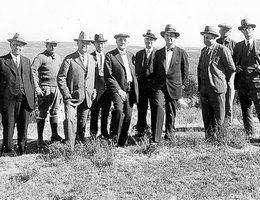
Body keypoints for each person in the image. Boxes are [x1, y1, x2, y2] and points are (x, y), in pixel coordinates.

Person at [57, 31, 96, 150]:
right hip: (72, 98)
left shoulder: (92, 59)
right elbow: (61, 77)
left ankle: (79, 145)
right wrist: (66, 94)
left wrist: (94, 90)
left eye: (87, 43)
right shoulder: (69, 58)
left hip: (87, 97)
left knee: (82, 123)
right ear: (77, 43)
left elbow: (95, 77)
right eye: (82, 42)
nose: (85, 45)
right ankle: (70, 148)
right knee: (69, 120)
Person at [198, 26, 236, 142]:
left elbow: (231, 69)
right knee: (206, 115)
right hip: (204, 88)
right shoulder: (204, 50)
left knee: (219, 116)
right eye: (204, 37)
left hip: (217, 89)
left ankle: (220, 139)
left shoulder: (222, 50)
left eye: (208, 37)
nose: (205, 39)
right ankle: (209, 139)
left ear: (215, 38)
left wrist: (222, 82)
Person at [152, 24, 189, 143]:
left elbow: (185, 72)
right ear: (164, 37)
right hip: (160, 87)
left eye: (172, 36)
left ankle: (170, 136)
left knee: (171, 112)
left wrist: (180, 85)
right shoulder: (158, 53)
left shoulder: (181, 53)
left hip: (174, 87)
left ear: (175, 38)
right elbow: (156, 70)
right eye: (167, 35)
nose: (170, 38)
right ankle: (156, 138)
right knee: (158, 107)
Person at [0, 33, 35, 156]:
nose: (17, 48)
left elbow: (31, 81)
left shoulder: (26, 61)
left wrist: (32, 98)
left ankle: (22, 149)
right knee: (9, 125)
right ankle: (8, 150)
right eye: (15, 45)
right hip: (8, 99)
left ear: (23, 47)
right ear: (10, 45)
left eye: (20, 46)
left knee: (23, 125)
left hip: (25, 99)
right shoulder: (2, 61)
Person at [104, 32, 139, 147]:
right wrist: (119, 90)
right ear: (116, 41)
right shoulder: (110, 56)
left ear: (128, 42)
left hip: (130, 90)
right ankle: (114, 138)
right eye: (120, 40)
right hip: (118, 91)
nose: (122, 42)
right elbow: (109, 76)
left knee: (128, 115)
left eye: (124, 40)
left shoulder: (131, 55)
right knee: (119, 111)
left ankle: (122, 142)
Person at [31, 39, 63, 147]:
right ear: (46, 45)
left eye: (55, 45)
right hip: (45, 88)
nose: (53, 47)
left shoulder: (58, 57)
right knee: (42, 113)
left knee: (55, 112)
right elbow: (32, 70)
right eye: (50, 45)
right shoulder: (40, 57)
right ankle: (40, 139)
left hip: (56, 88)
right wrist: (37, 87)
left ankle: (54, 135)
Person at [233, 19, 260, 141]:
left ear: (253, 29)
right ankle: (250, 133)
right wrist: (236, 66)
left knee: (259, 107)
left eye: (249, 28)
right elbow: (233, 61)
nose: (247, 31)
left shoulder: (259, 43)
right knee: (246, 108)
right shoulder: (238, 46)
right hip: (242, 82)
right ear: (242, 31)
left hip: (257, 81)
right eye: (244, 29)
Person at [135, 29, 157, 136]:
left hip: (153, 88)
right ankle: (141, 130)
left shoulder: (158, 53)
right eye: (147, 39)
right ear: (144, 40)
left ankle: (154, 131)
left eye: (151, 40)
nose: (149, 41)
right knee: (141, 109)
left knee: (154, 109)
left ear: (154, 41)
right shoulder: (139, 54)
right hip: (142, 87)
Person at [90, 34, 111, 139]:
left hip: (106, 88)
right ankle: (93, 134)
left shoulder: (108, 56)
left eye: (102, 43)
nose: (100, 45)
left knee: (105, 112)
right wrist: (92, 88)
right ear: (94, 44)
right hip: (95, 88)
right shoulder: (90, 57)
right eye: (98, 43)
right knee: (94, 112)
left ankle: (104, 132)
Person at [216, 23, 236, 125]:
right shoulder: (216, 42)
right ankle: (220, 119)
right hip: (219, 73)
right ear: (219, 31)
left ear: (230, 32)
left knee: (229, 94)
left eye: (227, 30)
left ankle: (228, 120)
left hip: (230, 73)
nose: (225, 32)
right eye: (223, 30)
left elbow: (236, 59)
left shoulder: (234, 44)